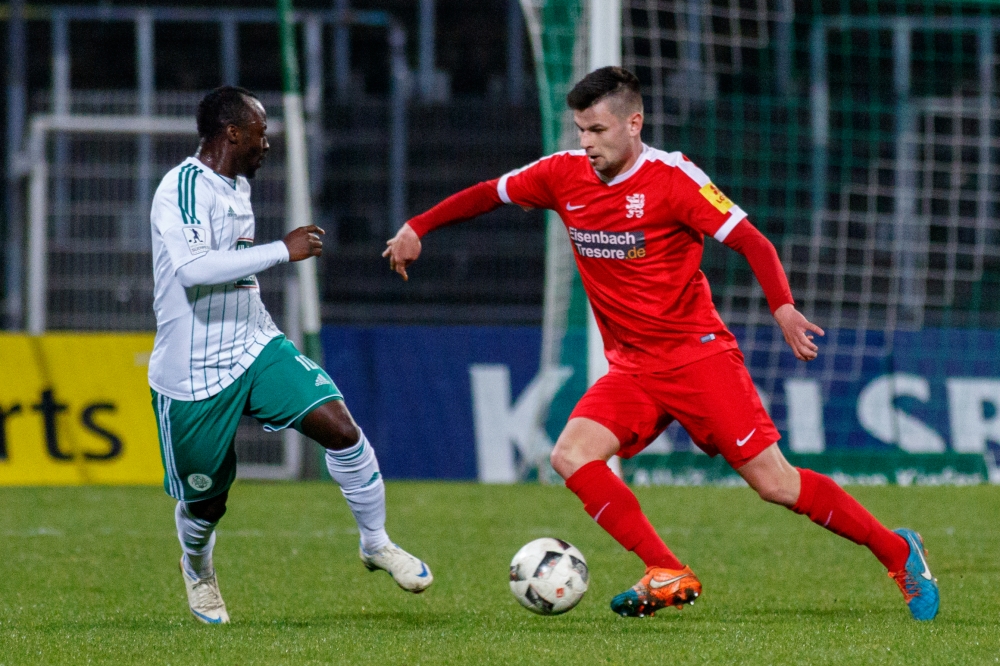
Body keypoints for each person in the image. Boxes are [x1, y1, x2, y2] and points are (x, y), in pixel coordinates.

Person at [383, 67, 938, 621]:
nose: (586, 142)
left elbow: (753, 242)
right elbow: (490, 193)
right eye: (580, 129)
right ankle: (666, 569)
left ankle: (898, 552)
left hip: (698, 358)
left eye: (598, 130)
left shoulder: (674, 179)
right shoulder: (561, 174)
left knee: (776, 484)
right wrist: (417, 227)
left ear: (634, 123)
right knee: (570, 454)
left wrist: (784, 308)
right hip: (633, 369)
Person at [149, 86, 432, 625]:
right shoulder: (182, 188)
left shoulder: (237, 186)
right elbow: (191, 269)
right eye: (260, 133)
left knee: (342, 430)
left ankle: (375, 542)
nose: (267, 144)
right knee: (207, 502)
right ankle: (198, 568)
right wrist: (283, 249)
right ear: (232, 133)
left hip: (254, 344)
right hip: (192, 372)